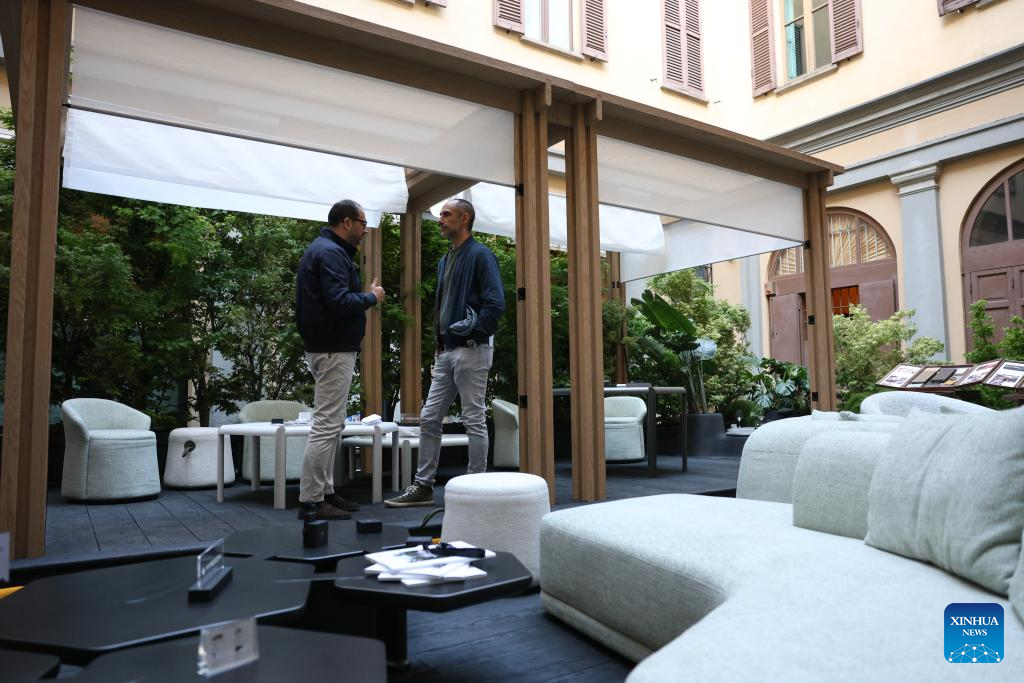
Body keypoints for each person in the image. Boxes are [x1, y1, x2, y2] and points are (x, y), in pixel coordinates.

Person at [385, 199, 504, 507]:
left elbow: (495, 303)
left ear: (465, 218)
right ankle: (423, 486)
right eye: (440, 214)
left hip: (472, 350)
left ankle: (475, 489)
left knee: (473, 419)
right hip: (446, 352)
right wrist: (441, 344)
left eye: (446, 214)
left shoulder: (481, 255)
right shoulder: (444, 261)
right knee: (429, 418)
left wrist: (474, 335)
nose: (440, 219)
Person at [295, 199, 384, 520]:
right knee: (326, 425)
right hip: (332, 347)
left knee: (333, 424)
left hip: (326, 346)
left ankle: (325, 492)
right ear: (347, 222)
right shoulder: (331, 253)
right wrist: (371, 297)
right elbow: (339, 302)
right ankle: (311, 500)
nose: (365, 230)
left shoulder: (326, 250)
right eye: (362, 223)